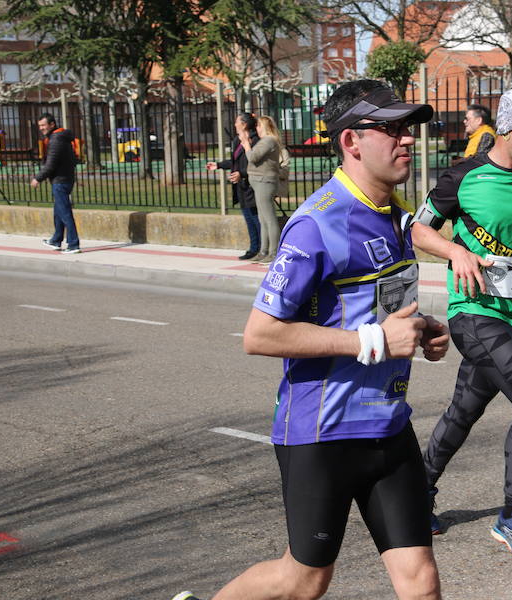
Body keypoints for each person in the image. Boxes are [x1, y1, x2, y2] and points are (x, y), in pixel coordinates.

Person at [172, 80, 450, 600]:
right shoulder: (316, 224)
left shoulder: (394, 216)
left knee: (421, 582)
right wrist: (374, 341)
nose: (407, 139)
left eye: (407, 129)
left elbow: (374, 309)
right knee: (303, 581)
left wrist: (420, 331)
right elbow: (260, 334)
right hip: (324, 434)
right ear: (351, 142)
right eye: (391, 129)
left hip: (389, 425)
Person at [410, 85, 512, 558]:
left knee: (464, 410)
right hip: (473, 314)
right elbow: (419, 228)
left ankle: (418, 492)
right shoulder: (463, 176)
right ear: (505, 127)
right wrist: (456, 251)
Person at [207, 113, 261, 260]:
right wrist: (218, 165)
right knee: (248, 219)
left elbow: (256, 164)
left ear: (244, 125)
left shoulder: (256, 141)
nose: (235, 124)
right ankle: (253, 248)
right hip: (241, 186)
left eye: (237, 122)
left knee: (256, 218)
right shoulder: (237, 140)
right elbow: (234, 162)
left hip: (252, 185)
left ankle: (263, 249)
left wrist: (242, 174)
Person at [33, 113, 80, 254]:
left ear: (52, 124)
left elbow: (51, 164)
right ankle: (56, 240)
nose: (41, 128)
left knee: (65, 213)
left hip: (60, 181)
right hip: (65, 179)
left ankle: (73, 244)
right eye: (40, 125)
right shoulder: (61, 137)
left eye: (43, 125)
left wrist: (38, 178)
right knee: (58, 212)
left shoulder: (56, 140)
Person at [240, 115, 281, 264]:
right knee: (263, 219)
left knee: (269, 219)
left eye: (258, 126)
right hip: (259, 182)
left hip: (265, 182)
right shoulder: (265, 141)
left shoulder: (269, 140)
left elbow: (253, 157)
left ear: (264, 126)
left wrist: (246, 145)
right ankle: (264, 251)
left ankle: (273, 252)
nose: (256, 128)